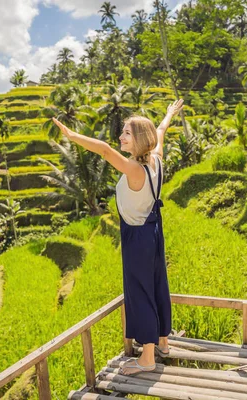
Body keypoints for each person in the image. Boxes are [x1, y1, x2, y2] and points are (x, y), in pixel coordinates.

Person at [51, 99, 184, 376]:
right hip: (154, 230)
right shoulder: (156, 159)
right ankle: (163, 342)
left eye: (126, 133)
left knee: (140, 291)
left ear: (138, 140)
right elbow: (160, 131)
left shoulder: (134, 169)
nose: (121, 137)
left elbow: (103, 149)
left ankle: (147, 357)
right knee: (157, 282)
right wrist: (169, 113)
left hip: (137, 235)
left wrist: (71, 135)